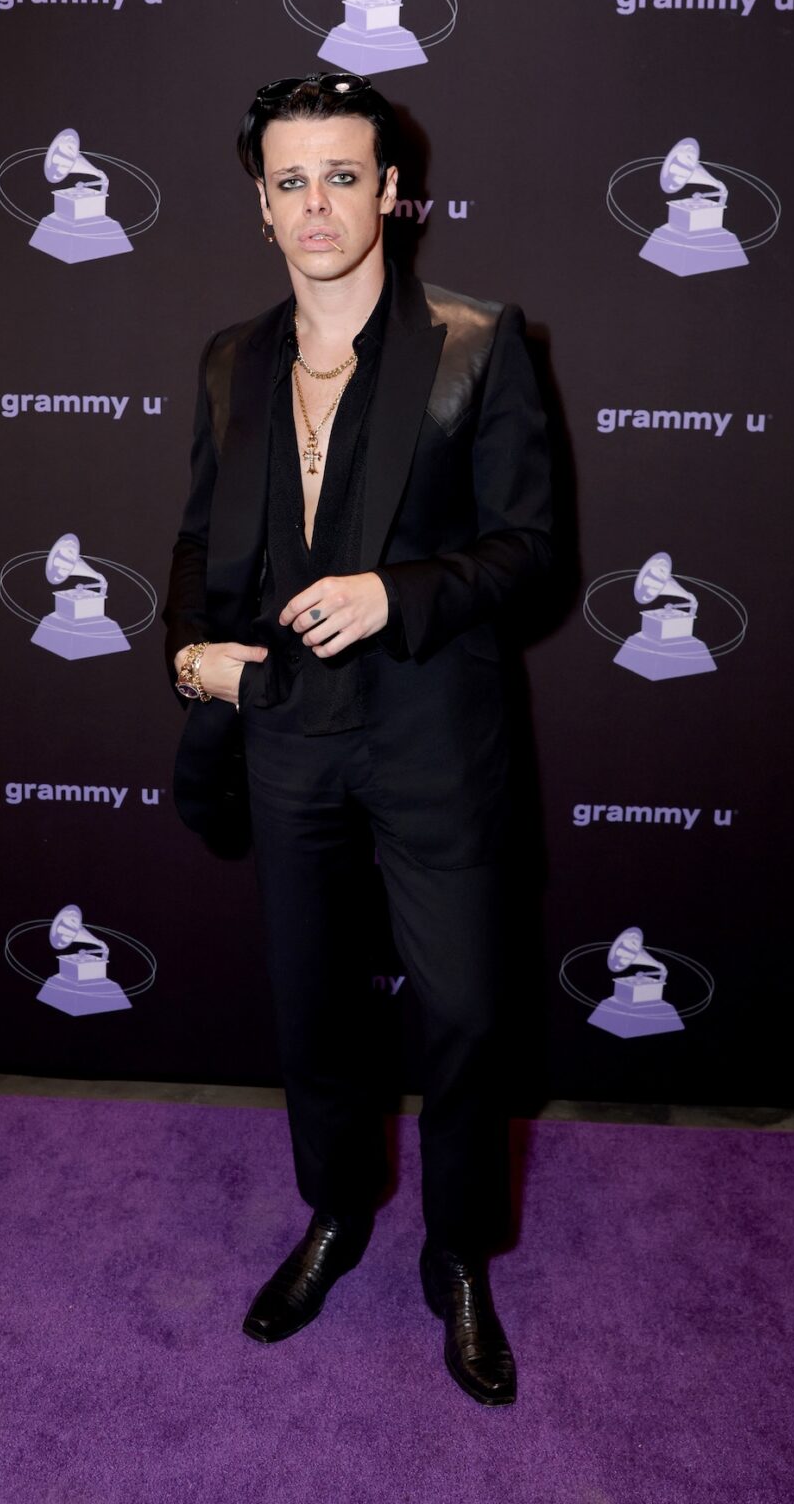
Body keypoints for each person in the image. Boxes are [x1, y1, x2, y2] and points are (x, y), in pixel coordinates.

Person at [164, 73, 551, 1406]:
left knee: (461, 1013)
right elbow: (200, 538)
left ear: (392, 191)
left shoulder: (477, 343)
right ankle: (335, 1210)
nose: (317, 203)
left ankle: (459, 1253)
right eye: (290, 181)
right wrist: (188, 652)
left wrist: (400, 593)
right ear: (260, 206)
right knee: (315, 1011)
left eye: (343, 175)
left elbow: (532, 555)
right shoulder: (230, 357)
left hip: (436, 735)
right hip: (287, 739)